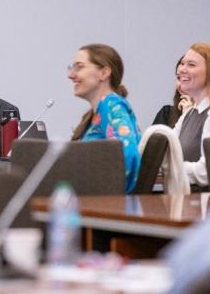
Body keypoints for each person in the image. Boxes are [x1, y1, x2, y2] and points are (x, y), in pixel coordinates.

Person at [69, 43, 141, 194]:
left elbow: (128, 155)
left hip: (104, 208)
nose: (71, 75)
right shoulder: (101, 111)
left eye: (79, 67)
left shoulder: (112, 106)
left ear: (104, 73)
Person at [173, 43, 210, 188]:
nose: (182, 69)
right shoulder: (188, 114)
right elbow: (167, 148)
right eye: (182, 63)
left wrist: (171, 168)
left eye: (191, 65)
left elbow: (207, 171)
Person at [152, 56, 194, 127]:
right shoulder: (166, 114)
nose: (182, 85)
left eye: (187, 78)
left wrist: (190, 118)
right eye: (179, 78)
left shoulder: (209, 115)